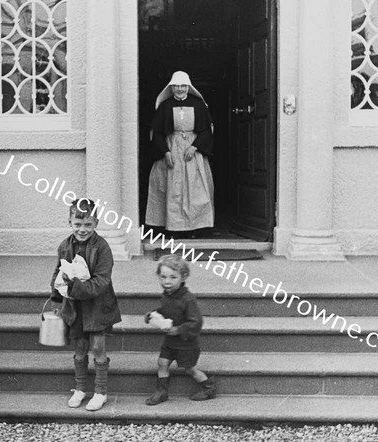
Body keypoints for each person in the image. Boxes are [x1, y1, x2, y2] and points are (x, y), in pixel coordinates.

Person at [50, 198, 122, 411]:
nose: (82, 230)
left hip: (98, 304)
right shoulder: (65, 246)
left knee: (98, 346)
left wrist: (77, 287)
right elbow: (58, 271)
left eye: (88, 225)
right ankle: (81, 388)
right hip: (75, 306)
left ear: (96, 223)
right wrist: (56, 293)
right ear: (70, 222)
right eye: (77, 224)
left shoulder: (102, 247)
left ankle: (101, 392)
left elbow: (102, 279)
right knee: (80, 346)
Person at [145, 70, 215, 236]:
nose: (180, 89)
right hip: (172, 150)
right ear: (171, 88)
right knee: (172, 188)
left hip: (193, 152)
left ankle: (197, 227)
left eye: (183, 86)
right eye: (176, 86)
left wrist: (195, 146)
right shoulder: (165, 106)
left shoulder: (198, 104)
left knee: (196, 188)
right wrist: (166, 152)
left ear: (188, 87)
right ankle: (173, 227)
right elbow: (158, 132)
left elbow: (207, 130)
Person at [144, 254, 216, 405]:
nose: (167, 282)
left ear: (183, 277)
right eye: (163, 277)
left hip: (186, 343)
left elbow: (196, 322)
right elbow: (166, 310)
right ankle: (162, 391)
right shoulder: (167, 296)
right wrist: (153, 315)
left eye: (172, 277)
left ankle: (208, 386)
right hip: (170, 341)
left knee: (190, 369)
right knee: (162, 363)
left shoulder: (187, 299)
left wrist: (178, 330)